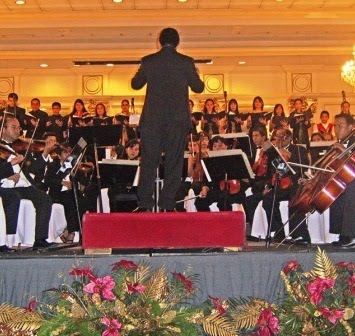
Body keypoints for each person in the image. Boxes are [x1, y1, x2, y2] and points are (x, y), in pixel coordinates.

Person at [131, 27, 204, 212]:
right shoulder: (186, 62)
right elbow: (198, 87)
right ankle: (168, 203)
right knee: (174, 162)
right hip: (177, 121)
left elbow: (135, 84)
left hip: (152, 121)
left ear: (160, 41)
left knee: (148, 162)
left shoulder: (149, 61)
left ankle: (145, 204)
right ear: (178, 42)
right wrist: (196, 72)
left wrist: (143, 69)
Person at [0, 116, 53, 249]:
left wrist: (45, 152)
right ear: (3, 129)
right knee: (13, 197)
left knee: (44, 198)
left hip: (23, 185)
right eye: (14, 127)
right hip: (5, 186)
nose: (18, 131)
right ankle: (7, 241)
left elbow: (33, 169)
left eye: (19, 128)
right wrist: (10, 165)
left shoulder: (20, 147)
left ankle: (40, 239)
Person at [329, 113, 355, 247]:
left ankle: (351, 235)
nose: (337, 129)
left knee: (351, 188)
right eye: (335, 126)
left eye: (341, 126)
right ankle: (343, 233)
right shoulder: (340, 143)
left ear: (351, 127)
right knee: (334, 189)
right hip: (348, 178)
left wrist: (344, 151)